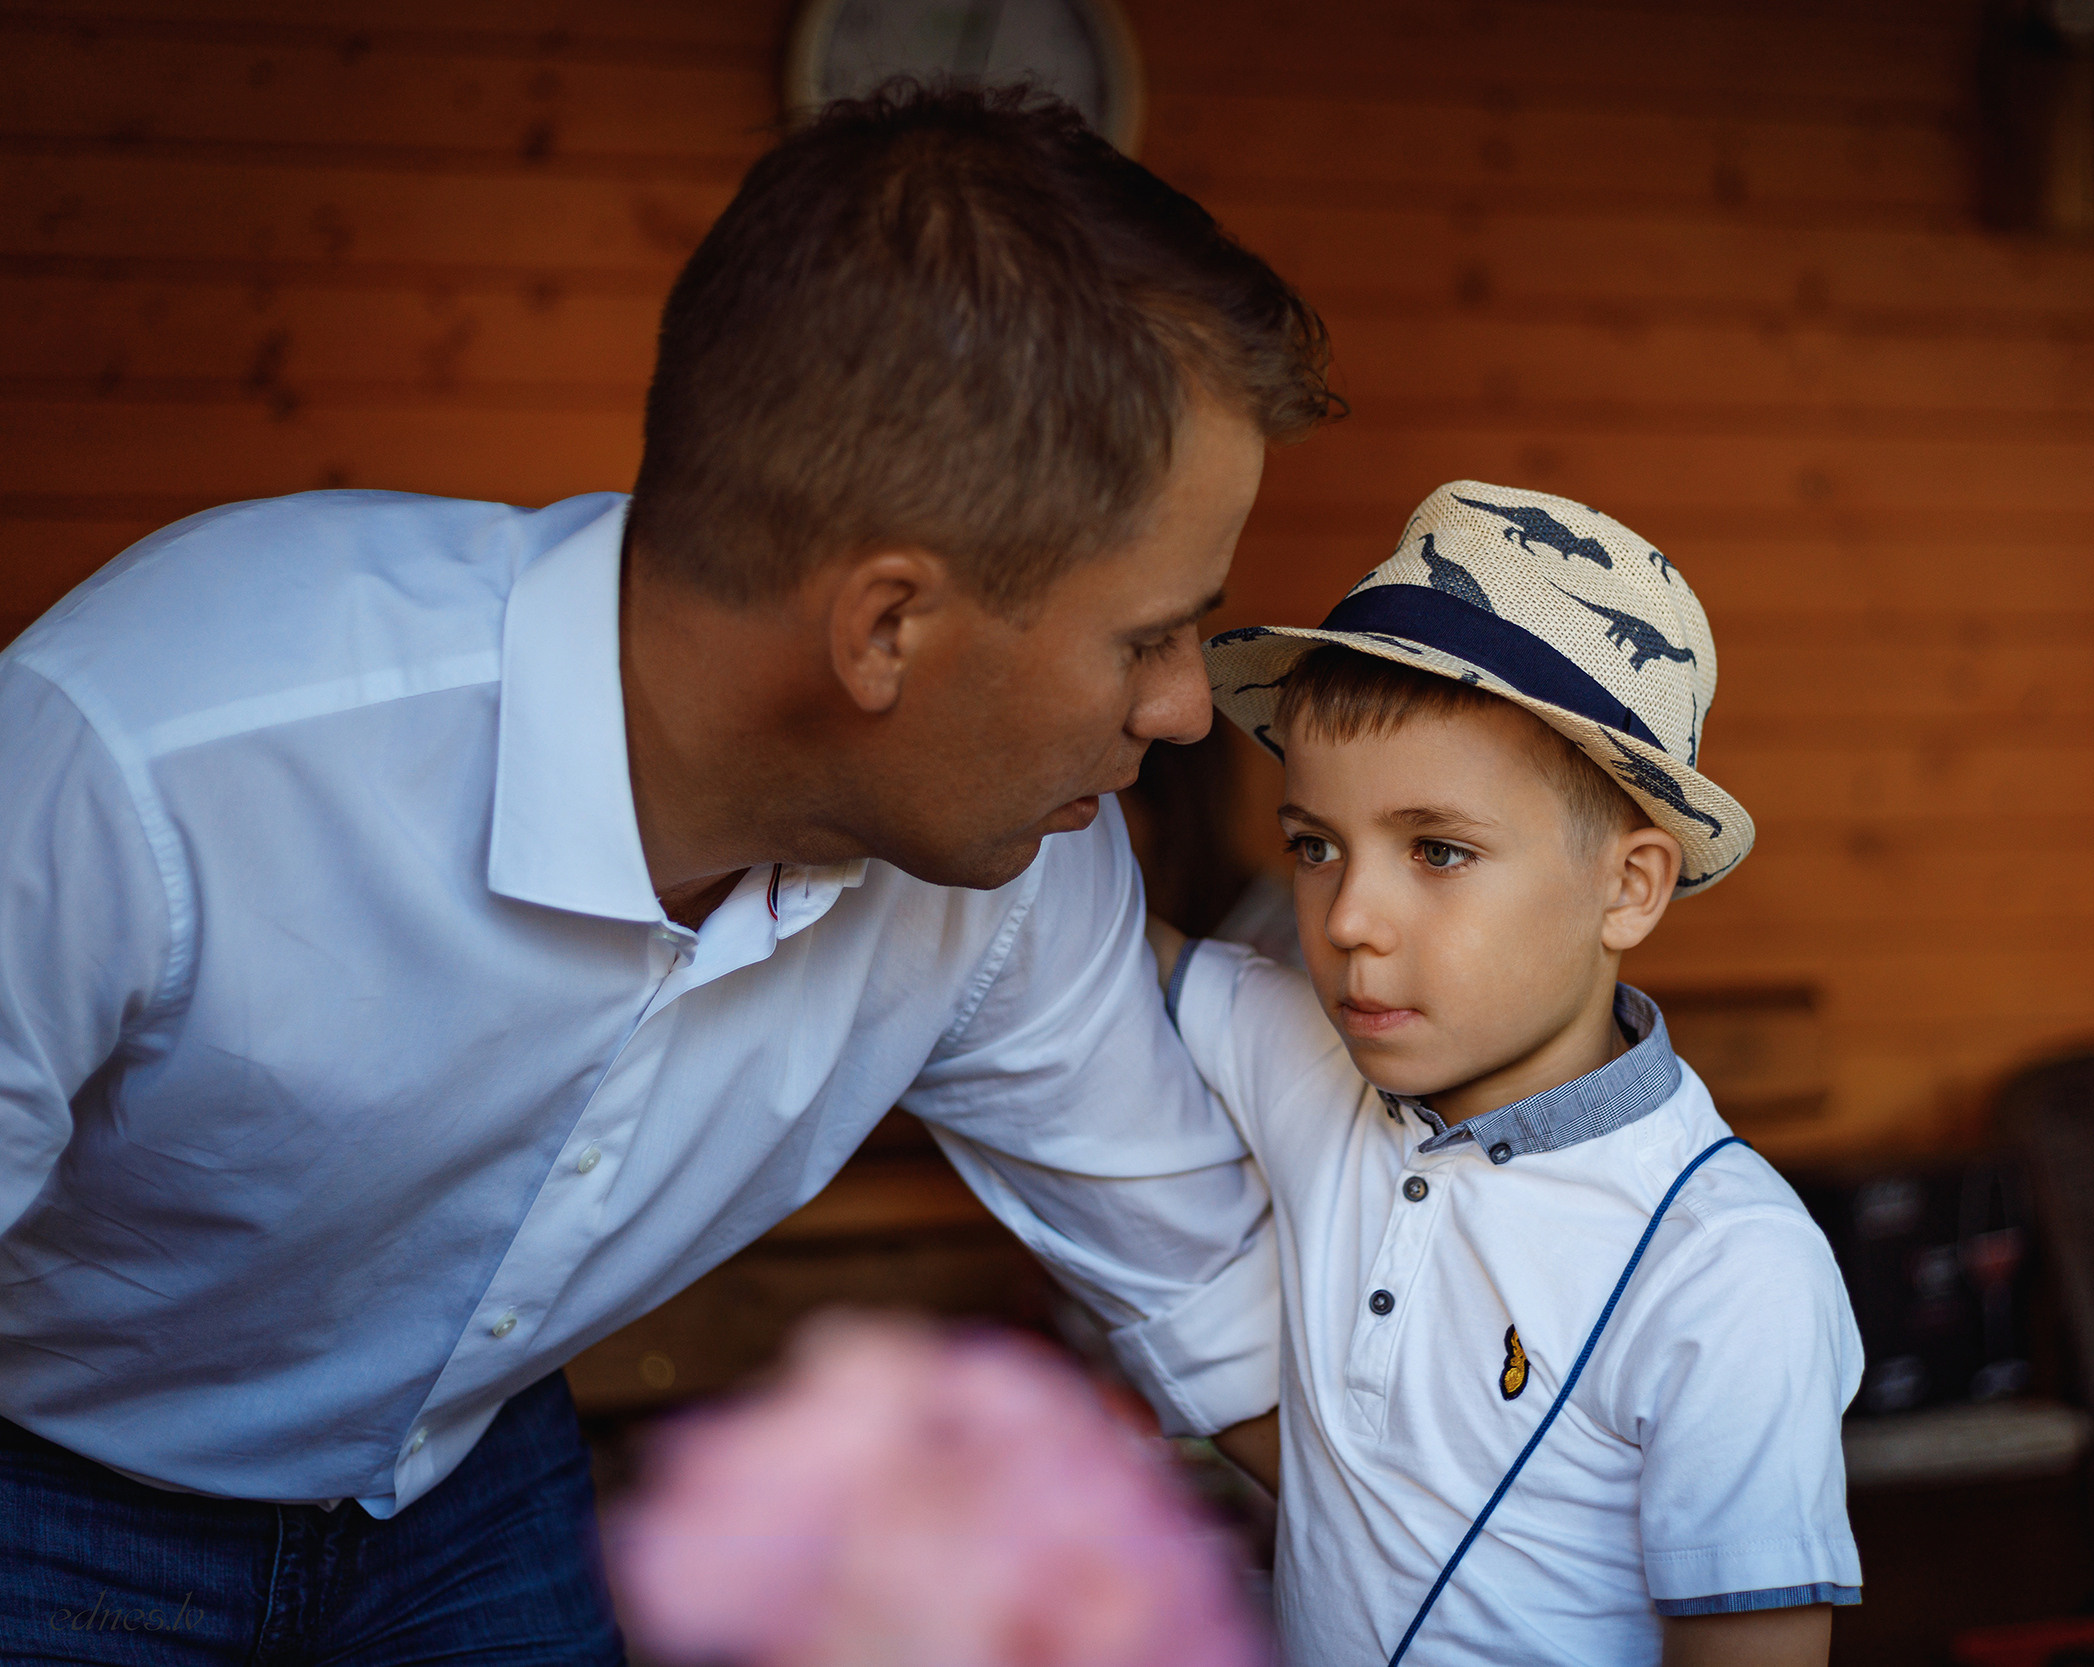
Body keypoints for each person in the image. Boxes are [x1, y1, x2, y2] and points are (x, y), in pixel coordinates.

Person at [0, 86, 1331, 1664]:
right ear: (885, 628)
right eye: (1149, 633)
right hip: (47, 1491)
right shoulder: (153, 756)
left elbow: (1214, 1312)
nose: (1187, 710)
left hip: (473, 1489)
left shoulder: (1022, 863)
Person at [1153, 482, 1864, 1665]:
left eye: (1437, 849)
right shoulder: (1308, 1049)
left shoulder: (1730, 1267)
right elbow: (1073, 948)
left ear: (1628, 887)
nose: (1347, 918)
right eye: (1315, 845)